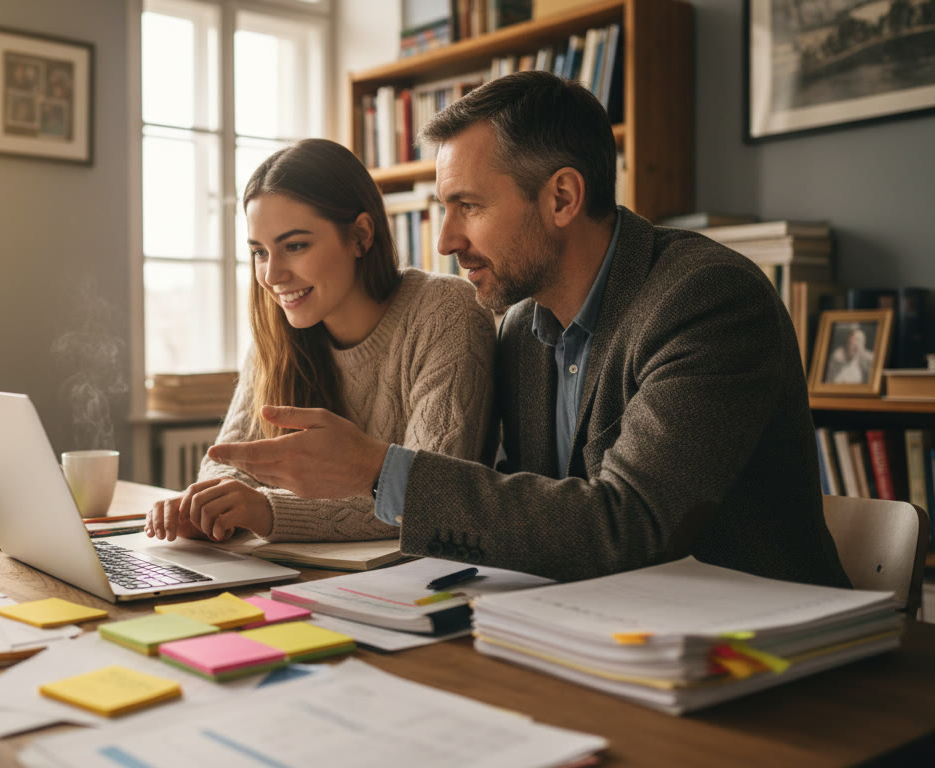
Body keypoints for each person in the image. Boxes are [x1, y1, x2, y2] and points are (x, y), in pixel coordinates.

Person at [207, 72, 850, 588]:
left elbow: (625, 526)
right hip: (599, 632)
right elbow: (525, 507)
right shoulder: (520, 327)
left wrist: (378, 470)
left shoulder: (705, 300)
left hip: (759, 654)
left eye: (470, 207)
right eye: (444, 208)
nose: (446, 239)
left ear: (562, 199)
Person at [145, 138, 496, 544]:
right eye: (259, 252)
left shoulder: (445, 312)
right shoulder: (278, 328)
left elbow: (430, 496)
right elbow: (231, 461)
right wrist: (205, 504)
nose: (272, 276)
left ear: (361, 236)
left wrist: (266, 510)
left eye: (295, 246)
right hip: (304, 572)